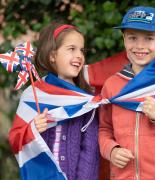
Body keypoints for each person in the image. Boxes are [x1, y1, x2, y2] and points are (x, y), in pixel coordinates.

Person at [9, 22, 99, 180]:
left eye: (82, 50)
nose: (79, 55)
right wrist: (33, 129)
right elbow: (16, 139)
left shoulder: (86, 100)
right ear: (52, 56)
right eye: (72, 49)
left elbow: (90, 150)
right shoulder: (34, 95)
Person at [99, 6, 155, 180]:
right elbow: (104, 129)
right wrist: (111, 150)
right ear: (124, 39)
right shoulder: (112, 85)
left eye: (149, 38)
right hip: (123, 176)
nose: (139, 46)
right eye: (132, 38)